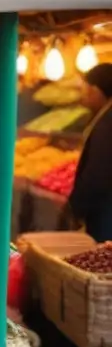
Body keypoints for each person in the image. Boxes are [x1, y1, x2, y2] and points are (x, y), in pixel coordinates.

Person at [68, 63, 112, 242]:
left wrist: (77, 208)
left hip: (105, 214)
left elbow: (97, 172)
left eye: (87, 89)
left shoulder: (107, 123)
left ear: (97, 90)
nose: (84, 95)